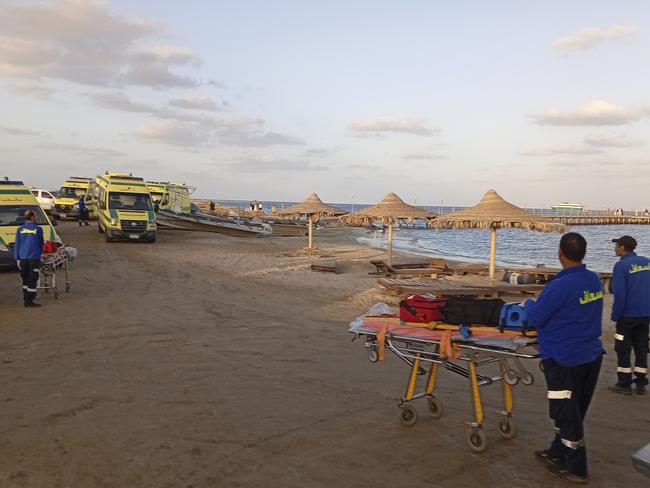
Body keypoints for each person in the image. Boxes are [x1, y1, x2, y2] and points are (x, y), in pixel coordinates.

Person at [524, 232, 604, 484]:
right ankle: (557, 451)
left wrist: (527, 303)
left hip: (564, 358)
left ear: (560, 253)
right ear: (584, 253)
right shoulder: (593, 280)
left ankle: (576, 467)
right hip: (590, 355)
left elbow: (536, 318)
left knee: (565, 412)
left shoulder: (559, 286)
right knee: (573, 410)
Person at [609, 235, 650, 395]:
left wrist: (615, 316)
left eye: (616, 245)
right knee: (641, 346)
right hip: (645, 313)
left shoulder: (621, 266)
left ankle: (624, 382)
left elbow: (620, 294)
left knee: (623, 348)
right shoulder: (646, 262)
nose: (615, 248)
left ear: (622, 248)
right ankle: (641, 381)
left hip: (627, 315)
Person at [14, 210, 44, 308]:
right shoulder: (38, 229)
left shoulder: (20, 229)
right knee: (32, 278)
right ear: (32, 217)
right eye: (34, 216)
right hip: (33, 258)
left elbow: (17, 244)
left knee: (25, 278)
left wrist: (17, 258)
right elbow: (41, 244)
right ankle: (30, 301)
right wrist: (41, 255)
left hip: (23, 258)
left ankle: (26, 299)